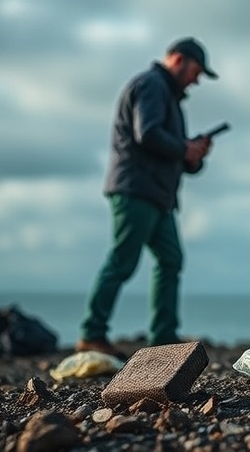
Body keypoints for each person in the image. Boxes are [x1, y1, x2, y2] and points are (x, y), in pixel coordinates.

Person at [77, 37, 218, 356]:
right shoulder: (152, 85)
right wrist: (185, 148)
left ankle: (163, 337)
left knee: (170, 260)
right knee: (123, 261)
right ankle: (91, 333)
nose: (197, 80)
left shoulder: (169, 96)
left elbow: (172, 153)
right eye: (196, 71)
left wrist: (193, 155)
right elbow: (148, 134)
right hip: (136, 189)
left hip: (157, 195)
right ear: (178, 60)